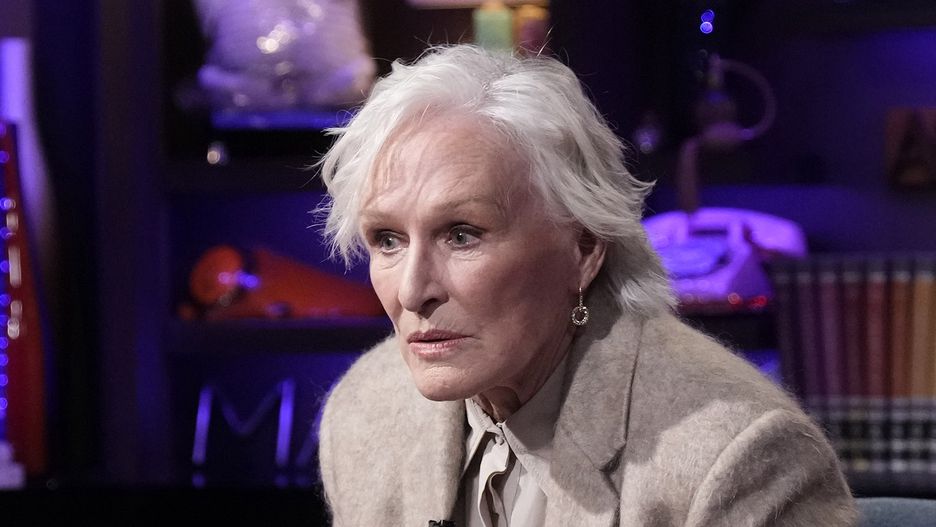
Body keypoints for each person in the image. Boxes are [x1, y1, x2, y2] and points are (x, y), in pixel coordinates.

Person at [316, 45, 856, 526]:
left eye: (462, 235)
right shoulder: (364, 411)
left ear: (584, 249)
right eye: (387, 240)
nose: (412, 291)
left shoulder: (737, 457)